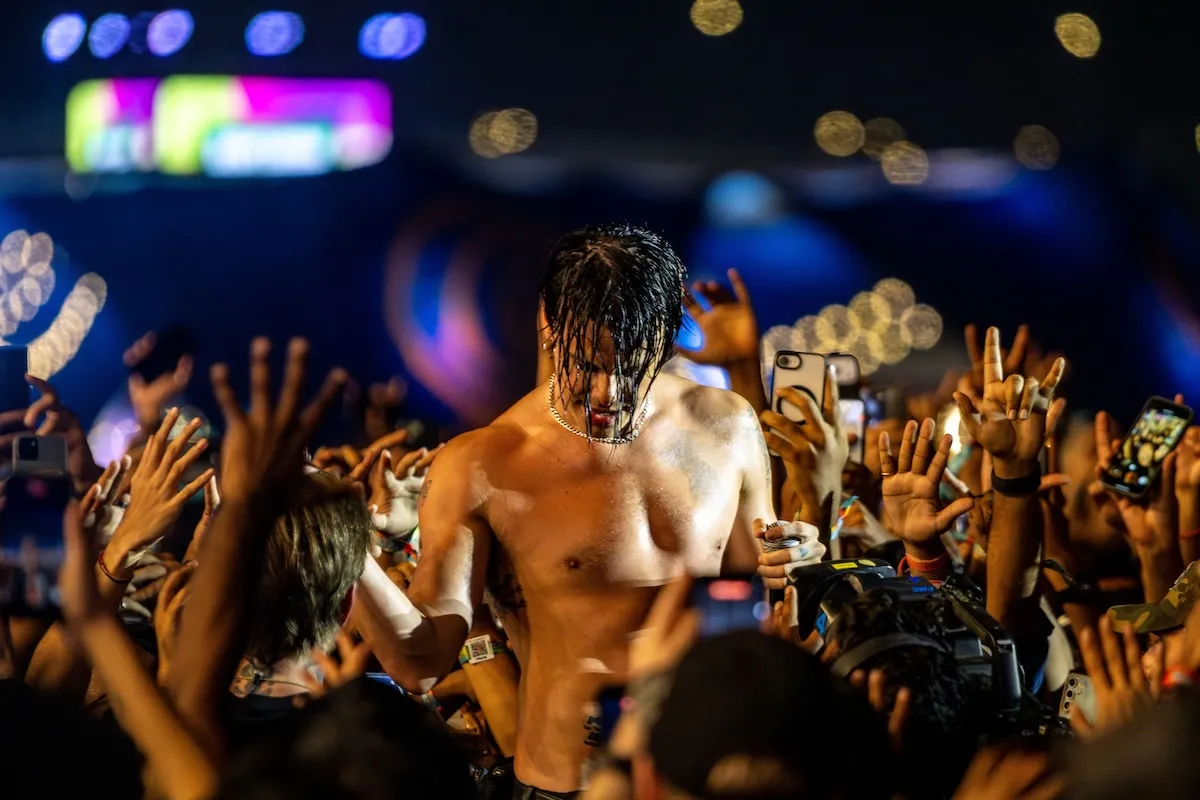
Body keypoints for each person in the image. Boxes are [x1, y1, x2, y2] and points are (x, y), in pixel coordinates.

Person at [355, 223, 827, 796]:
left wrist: (795, 557)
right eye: (588, 364)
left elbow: (759, 589)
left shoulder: (727, 425)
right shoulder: (482, 463)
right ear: (550, 331)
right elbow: (421, 662)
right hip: (567, 781)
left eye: (630, 366)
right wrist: (350, 553)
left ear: (665, 339)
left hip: (703, 774)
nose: (608, 393)